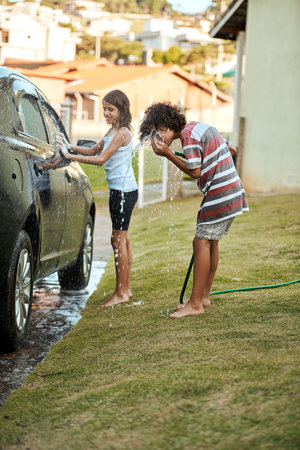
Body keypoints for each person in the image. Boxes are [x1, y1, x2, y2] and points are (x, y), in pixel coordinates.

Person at [139, 102, 249, 319]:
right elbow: (232, 149)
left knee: (201, 243)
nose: (158, 138)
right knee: (210, 241)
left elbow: (195, 171)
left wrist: (169, 154)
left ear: (169, 123)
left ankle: (196, 303)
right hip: (232, 190)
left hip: (220, 192)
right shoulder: (199, 127)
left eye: (158, 132)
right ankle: (203, 296)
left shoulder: (188, 135)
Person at [56, 90, 138, 307]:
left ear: (122, 109)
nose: (106, 113)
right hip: (122, 191)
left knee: (118, 240)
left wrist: (69, 157)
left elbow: (100, 159)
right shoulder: (112, 131)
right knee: (123, 238)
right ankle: (126, 290)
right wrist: (70, 145)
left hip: (122, 193)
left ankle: (121, 293)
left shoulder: (122, 133)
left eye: (110, 109)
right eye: (105, 108)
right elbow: (93, 150)